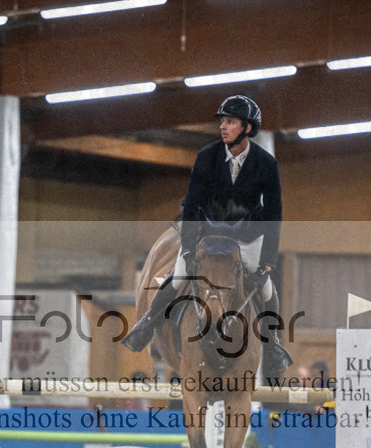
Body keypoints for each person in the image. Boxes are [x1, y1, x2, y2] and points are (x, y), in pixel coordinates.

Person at [122, 95, 291, 378]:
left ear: (248, 128)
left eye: (231, 122)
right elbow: (192, 206)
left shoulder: (266, 164)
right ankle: (147, 324)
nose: (223, 126)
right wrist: (188, 248)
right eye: (222, 121)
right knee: (177, 276)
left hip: (246, 238)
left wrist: (269, 261)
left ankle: (273, 344)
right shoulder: (207, 157)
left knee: (265, 289)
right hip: (206, 236)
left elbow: (274, 215)